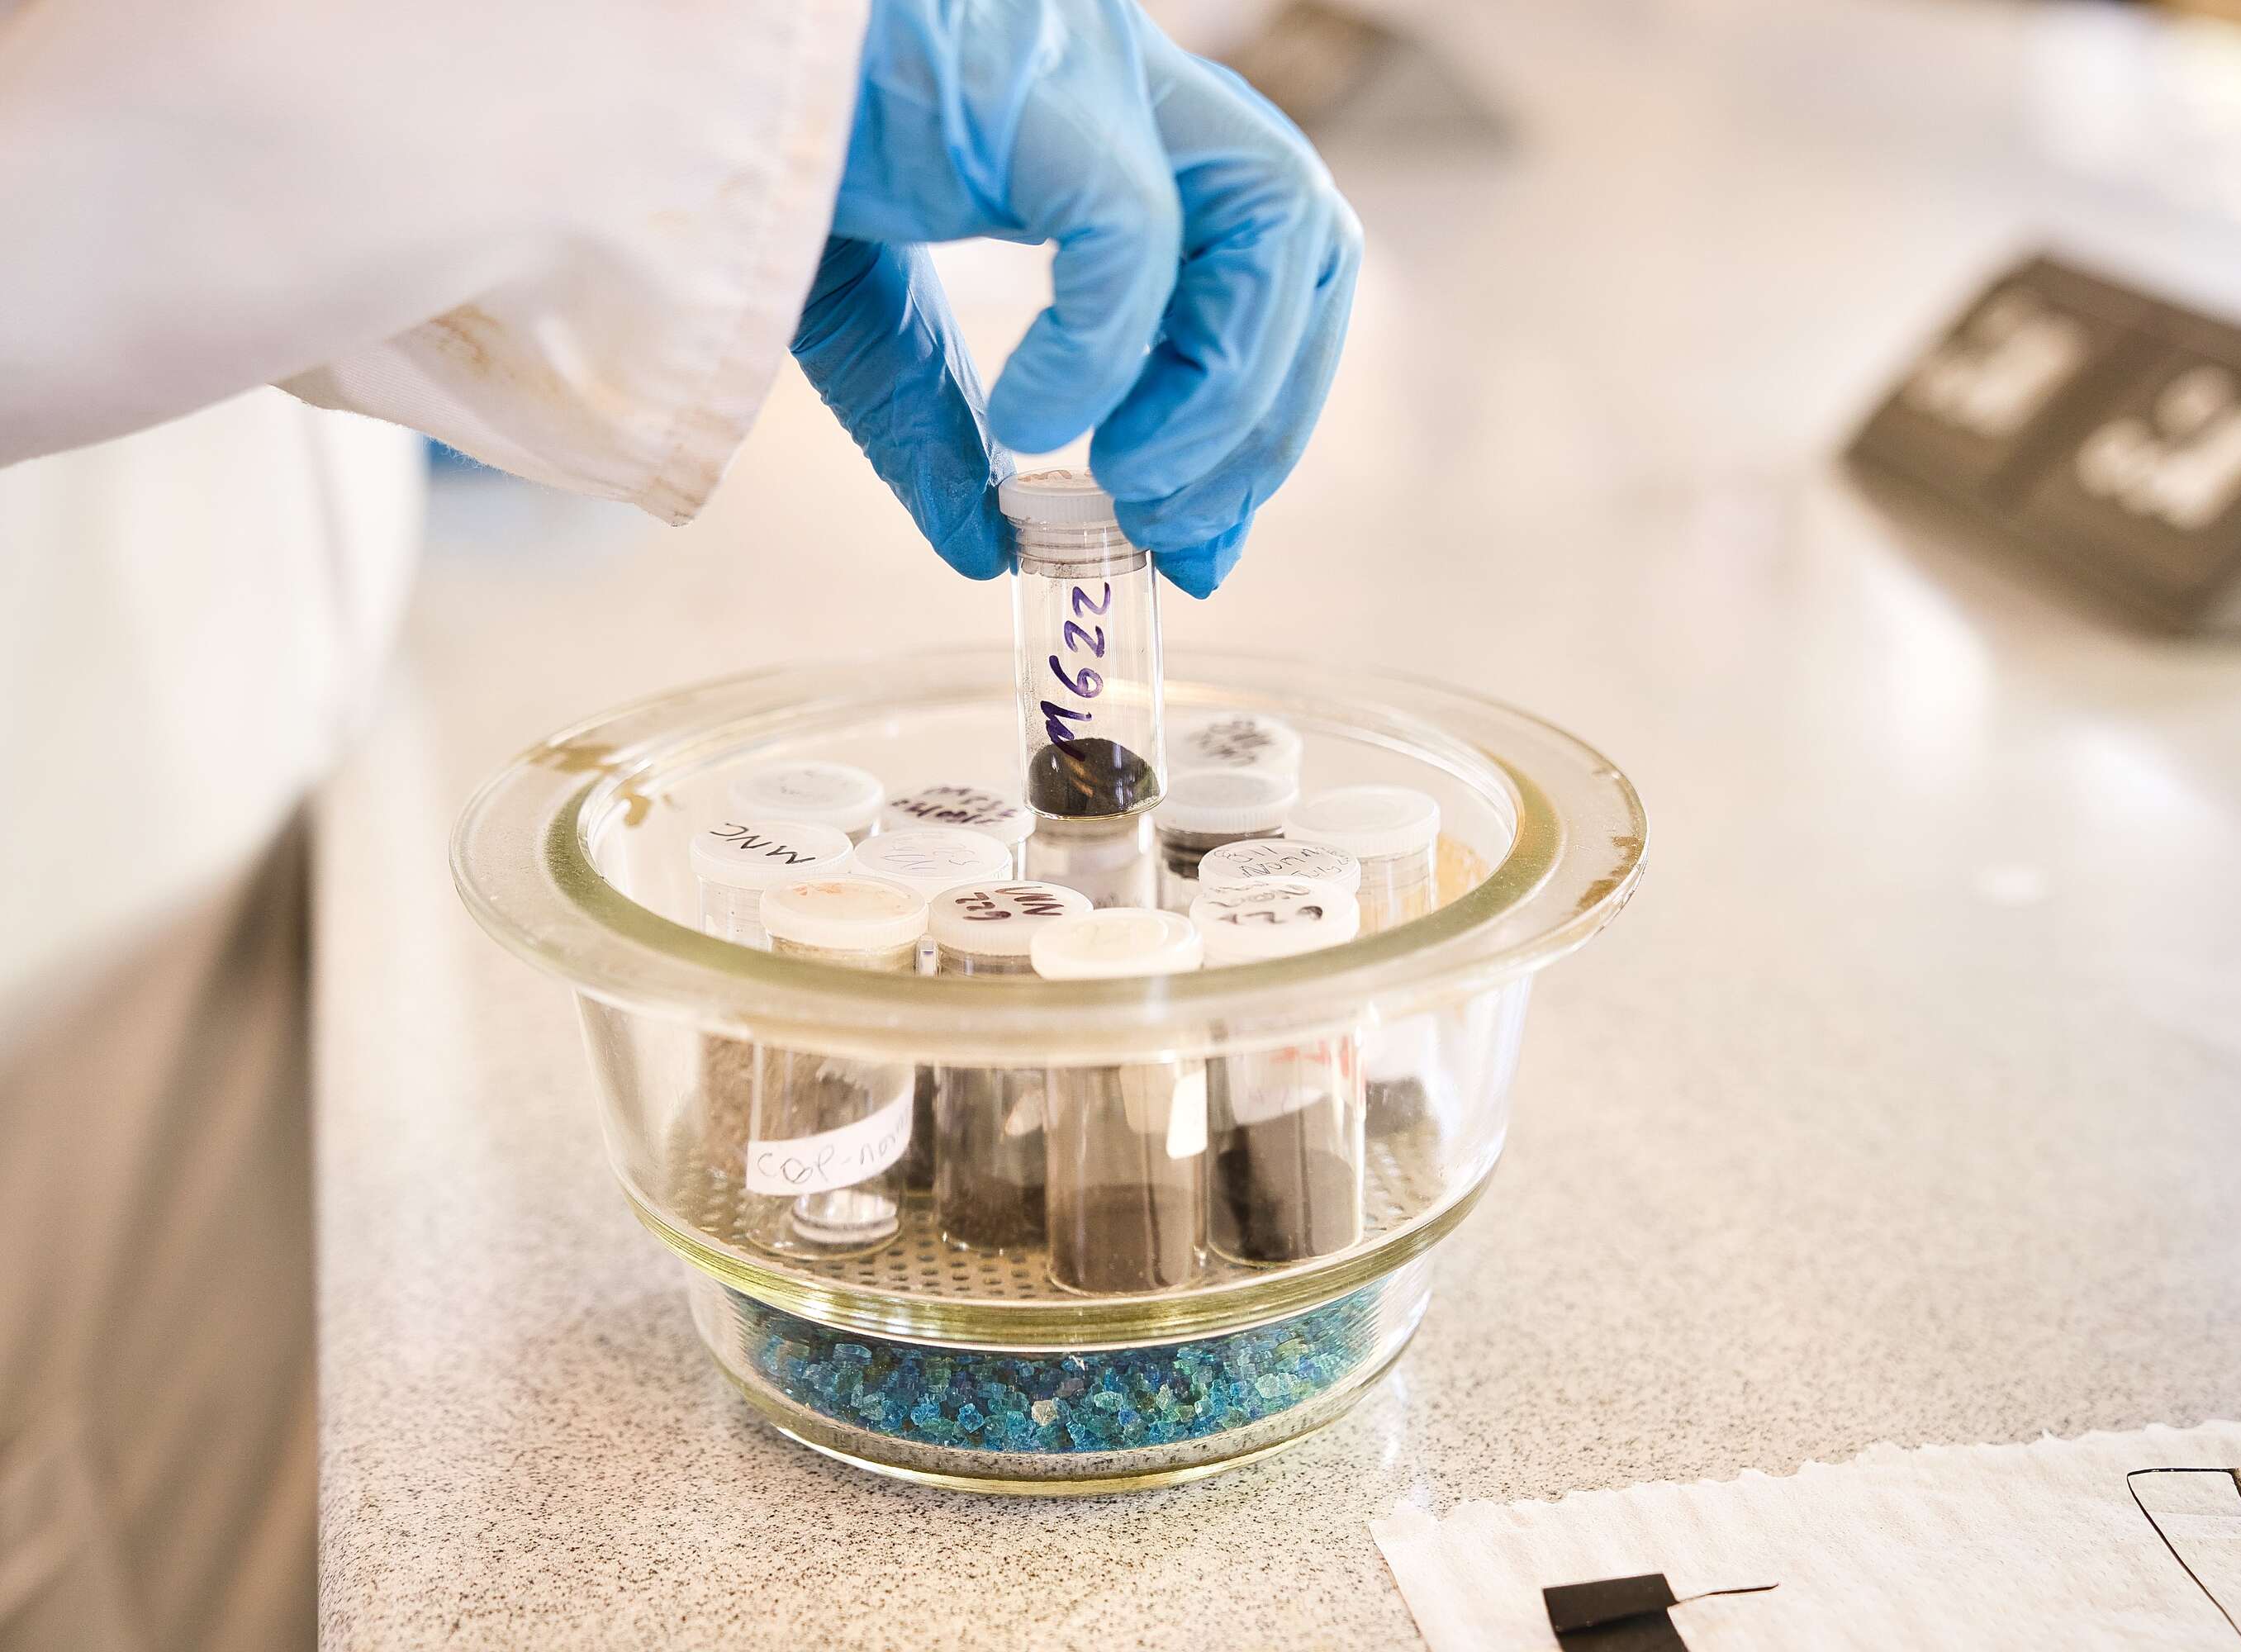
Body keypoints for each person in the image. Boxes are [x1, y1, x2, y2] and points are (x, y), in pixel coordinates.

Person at [0, 0, 1360, 1645]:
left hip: (215, 622)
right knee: (96, 1501)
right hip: (58, 727)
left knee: (203, 1451)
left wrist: (714, 101)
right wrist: (737, 65)